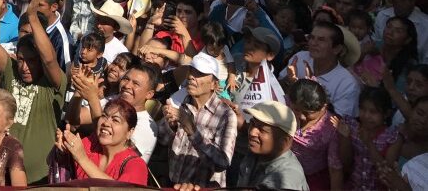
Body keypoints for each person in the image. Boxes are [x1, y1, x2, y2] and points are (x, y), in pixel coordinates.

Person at [0, 0, 67, 184]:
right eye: (21, 59)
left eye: (32, 61)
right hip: (2, 171)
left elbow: (49, 60)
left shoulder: (53, 81)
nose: (24, 67)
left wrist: (32, 17)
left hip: (40, 177)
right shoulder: (11, 71)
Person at [159, 53, 237, 187]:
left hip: (203, 188)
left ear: (214, 84)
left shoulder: (225, 115)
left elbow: (222, 163)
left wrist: (191, 130)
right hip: (174, 185)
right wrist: (171, 126)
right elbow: (162, 140)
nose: (190, 77)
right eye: (191, 71)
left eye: (199, 73)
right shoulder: (179, 101)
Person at [55, 97, 149, 184]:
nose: (106, 123)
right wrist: (63, 151)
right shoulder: (91, 143)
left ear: (130, 132)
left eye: (115, 120)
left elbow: (122, 189)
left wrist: (83, 159)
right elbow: (52, 165)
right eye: (104, 116)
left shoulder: (136, 165)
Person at [281, 21, 361, 117]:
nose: (313, 43)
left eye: (321, 40)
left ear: (337, 49)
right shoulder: (300, 57)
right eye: (311, 38)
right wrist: (289, 80)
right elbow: (278, 87)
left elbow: (338, 121)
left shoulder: (347, 84)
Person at [235, 101, 310, 190]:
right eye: (252, 123)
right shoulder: (261, 152)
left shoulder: (287, 177)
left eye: (262, 129)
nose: (252, 132)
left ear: (284, 140)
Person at [288, 79, 343, 190]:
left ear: (323, 107)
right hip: (284, 172)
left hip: (313, 182)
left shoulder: (331, 127)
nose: (302, 116)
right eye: (297, 110)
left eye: (307, 113)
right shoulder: (284, 108)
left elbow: (335, 168)